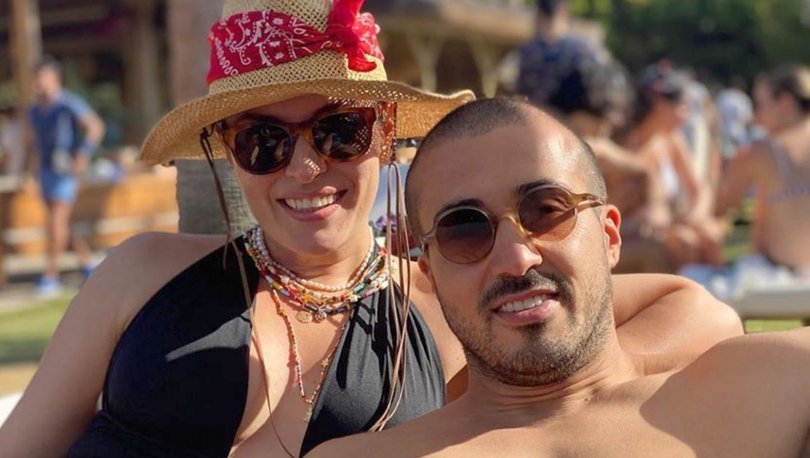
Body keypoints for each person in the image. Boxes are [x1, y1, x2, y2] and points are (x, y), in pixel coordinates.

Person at [0, 1, 740, 457]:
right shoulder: (144, 274)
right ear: (228, 152)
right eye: (264, 141)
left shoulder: (444, 303)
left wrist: (577, 379)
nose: (305, 167)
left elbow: (704, 312)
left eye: (339, 132)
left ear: (385, 134)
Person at [309, 97, 809, 458]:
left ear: (609, 236)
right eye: (464, 229)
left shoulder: (770, 389)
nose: (516, 258)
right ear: (431, 276)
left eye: (546, 210)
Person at [682, 64, 810, 299]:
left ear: (785, 103)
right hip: (794, 275)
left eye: (762, 105)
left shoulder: (761, 151)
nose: (756, 117)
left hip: (777, 274)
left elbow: (720, 208)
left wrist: (712, 167)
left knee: (687, 276)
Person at [619, 63, 724, 270]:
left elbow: (699, 188)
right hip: (635, 229)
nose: (686, 115)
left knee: (710, 235)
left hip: (667, 222)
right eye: (682, 106)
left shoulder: (670, 139)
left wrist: (695, 216)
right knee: (684, 242)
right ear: (659, 104)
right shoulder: (624, 146)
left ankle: (715, 287)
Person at [25, 56, 105, 294]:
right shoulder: (34, 110)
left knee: (56, 221)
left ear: (54, 78)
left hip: (64, 171)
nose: (38, 82)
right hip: (45, 171)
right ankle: (89, 263)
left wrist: (83, 154)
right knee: (60, 223)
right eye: (36, 77)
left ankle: (51, 276)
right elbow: (33, 145)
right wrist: (29, 172)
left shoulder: (68, 103)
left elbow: (95, 127)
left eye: (42, 76)